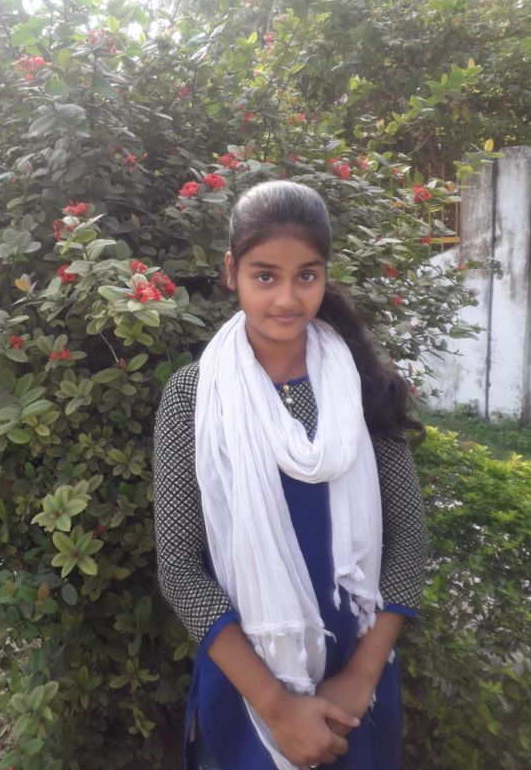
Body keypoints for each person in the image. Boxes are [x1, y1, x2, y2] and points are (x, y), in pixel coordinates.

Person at [153, 180, 429, 770]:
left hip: (357, 679)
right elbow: (179, 567)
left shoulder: (360, 387)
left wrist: (360, 677)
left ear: (325, 275)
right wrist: (276, 706)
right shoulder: (194, 397)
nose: (286, 298)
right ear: (231, 272)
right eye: (265, 276)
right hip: (244, 683)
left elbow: (409, 539)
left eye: (306, 275)